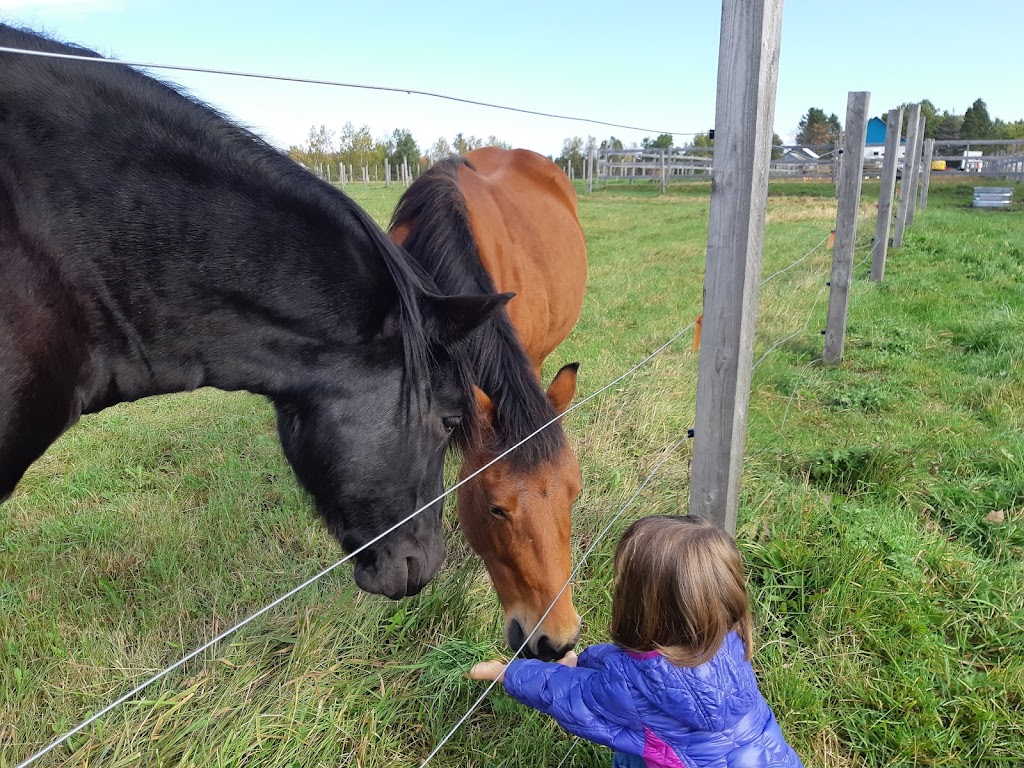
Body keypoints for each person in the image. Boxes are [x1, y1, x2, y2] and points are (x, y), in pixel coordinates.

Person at [469, 515, 803, 768]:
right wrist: (583, 661)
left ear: (641, 606)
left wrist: (508, 672)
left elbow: (569, 694)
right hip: (774, 760)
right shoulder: (732, 643)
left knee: (633, 752)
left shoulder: (629, 686)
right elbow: (630, 669)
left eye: (621, 584)